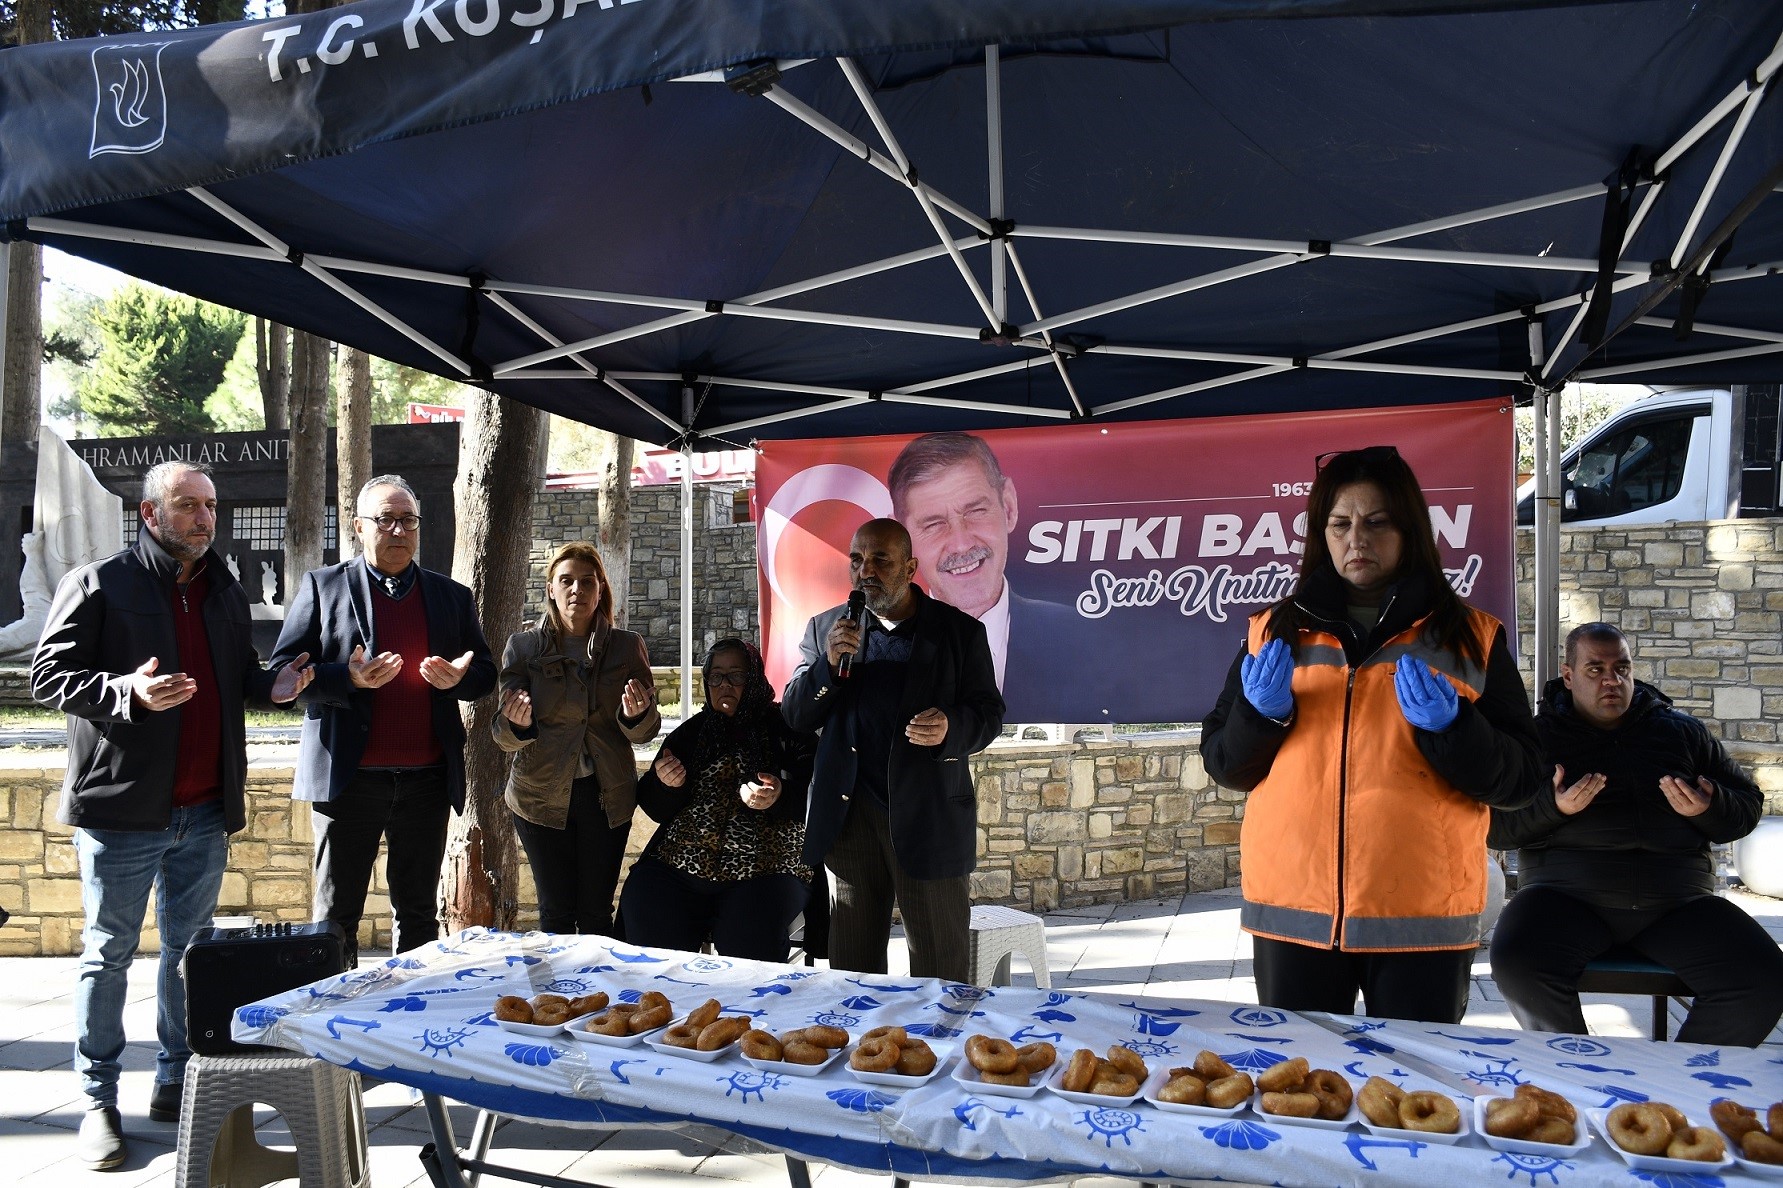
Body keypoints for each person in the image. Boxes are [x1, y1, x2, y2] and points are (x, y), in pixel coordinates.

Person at [31, 460, 312, 1168]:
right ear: (151, 515)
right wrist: (125, 690)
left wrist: (274, 684)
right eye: (187, 506)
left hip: (205, 811)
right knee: (109, 954)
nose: (203, 518)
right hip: (123, 811)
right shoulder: (100, 583)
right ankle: (97, 1099)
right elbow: (48, 676)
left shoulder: (221, 588)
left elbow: (235, 677)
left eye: (209, 506)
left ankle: (174, 1079)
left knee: (189, 957)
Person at [1201, 445, 1541, 1023]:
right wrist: (1263, 716)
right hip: (1294, 916)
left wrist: (1454, 728)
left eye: (1377, 522)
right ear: (1321, 534)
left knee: (1415, 1100)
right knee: (1302, 1093)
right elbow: (1226, 766)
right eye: (1340, 524)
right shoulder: (1271, 631)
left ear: (1409, 530)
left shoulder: (1471, 637)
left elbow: (1522, 780)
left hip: (1421, 918)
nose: (1356, 539)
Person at [1489, 622, 1783, 1045]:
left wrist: (1710, 806)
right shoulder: (1536, 738)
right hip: (1565, 898)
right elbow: (1493, 828)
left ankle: (1682, 1082)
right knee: (1519, 962)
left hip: (1677, 901)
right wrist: (1552, 808)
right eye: (1595, 670)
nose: (1612, 680)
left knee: (1761, 977)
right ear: (1568, 675)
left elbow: (1746, 805)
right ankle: (1578, 1070)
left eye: (1621, 668)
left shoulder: (1682, 732)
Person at [271, 474, 495, 968]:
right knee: (336, 915)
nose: (398, 530)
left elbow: (484, 673)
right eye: (385, 520)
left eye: (408, 521)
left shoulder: (451, 596)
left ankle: (405, 1019)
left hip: (426, 781)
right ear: (357, 526)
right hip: (349, 781)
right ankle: (334, 1019)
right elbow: (281, 675)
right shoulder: (322, 586)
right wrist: (346, 678)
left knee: (417, 913)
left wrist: (456, 679)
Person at [783, 517, 1005, 981]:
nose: (867, 570)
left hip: (929, 815)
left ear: (910, 567)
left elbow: (987, 713)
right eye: (858, 559)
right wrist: (827, 665)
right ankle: (862, 1050)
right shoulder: (827, 629)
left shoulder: (958, 633)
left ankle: (940, 1047)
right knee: (853, 968)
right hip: (850, 819)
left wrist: (951, 725)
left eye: (881, 559)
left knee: (941, 965)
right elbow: (797, 715)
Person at [490, 542, 658, 935]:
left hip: (607, 796)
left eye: (587, 582)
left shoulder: (626, 646)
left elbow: (645, 733)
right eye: (566, 581)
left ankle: (599, 996)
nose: (576, 591)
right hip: (539, 796)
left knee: (597, 913)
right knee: (557, 913)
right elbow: (502, 735)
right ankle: (559, 997)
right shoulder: (524, 647)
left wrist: (636, 715)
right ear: (550, 588)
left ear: (600, 589)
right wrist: (516, 723)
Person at [619, 638, 816, 959]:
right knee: (646, 902)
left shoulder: (787, 729)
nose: (724, 685)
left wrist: (780, 794)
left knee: (748, 935)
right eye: (716, 676)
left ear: (753, 678)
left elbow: (816, 792)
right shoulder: (691, 733)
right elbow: (654, 806)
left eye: (736, 676)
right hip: (682, 865)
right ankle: (666, 1001)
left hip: (766, 868)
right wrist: (667, 784)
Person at [887, 432, 1102, 722]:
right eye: (934, 524)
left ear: (1009, 507)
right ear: (902, 539)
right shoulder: (881, 649)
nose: (961, 544)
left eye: (975, 511)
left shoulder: (1086, 637)